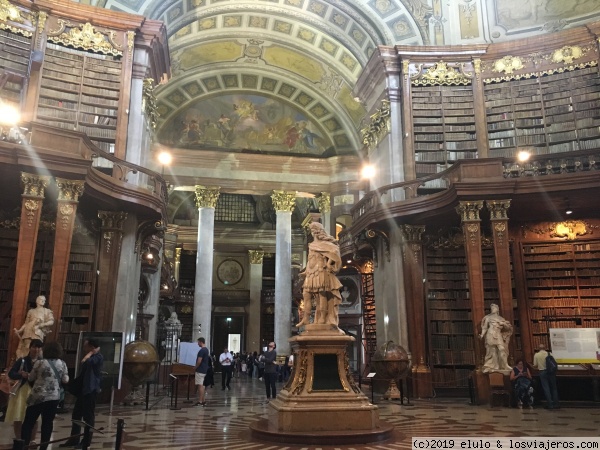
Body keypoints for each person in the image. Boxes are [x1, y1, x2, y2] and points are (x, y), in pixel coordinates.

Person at [21, 341, 68, 450]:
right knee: (47, 423)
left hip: (38, 397)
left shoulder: (39, 363)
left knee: (28, 423)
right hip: (53, 398)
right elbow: (65, 380)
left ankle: (24, 446)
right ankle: (44, 447)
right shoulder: (62, 363)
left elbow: (31, 378)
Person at [296, 222, 343, 328]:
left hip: (321, 271)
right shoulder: (311, 245)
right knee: (306, 294)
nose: (312, 232)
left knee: (322, 295)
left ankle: (322, 317)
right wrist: (305, 271)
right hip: (311, 273)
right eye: (311, 230)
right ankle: (305, 319)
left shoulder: (325, 244)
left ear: (318, 231)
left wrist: (329, 263)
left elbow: (334, 253)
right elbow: (310, 259)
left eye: (314, 230)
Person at [59, 339, 103, 449]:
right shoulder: (93, 355)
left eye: (86, 346)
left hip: (90, 391)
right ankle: (74, 439)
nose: (84, 349)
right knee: (76, 415)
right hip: (83, 391)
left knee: (88, 417)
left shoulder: (98, 357)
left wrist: (92, 353)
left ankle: (86, 442)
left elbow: (86, 362)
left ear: (91, 347)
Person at [6, 339, 43, 441]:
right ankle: (19, 439)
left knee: (35, 418)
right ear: (30, 347)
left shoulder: (42, 362)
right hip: (22, 390)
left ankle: (32, 440)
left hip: (35, 391)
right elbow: (11, 374)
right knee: (18, 416)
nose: (36, 349)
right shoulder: (22, 360)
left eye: (39, 347)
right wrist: (20, 374)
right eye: (34, 347)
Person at [479, 303, 513, 372]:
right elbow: (485, 328)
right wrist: (482, 335)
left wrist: (503, 323)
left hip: (498, 334)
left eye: (494, 308)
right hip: (490, 334)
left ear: (497, 309)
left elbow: (507, 328)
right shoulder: (488, 317)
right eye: (491, 308)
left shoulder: (501, 319)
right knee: (492, 350)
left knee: (502, 349)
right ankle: (494, 366)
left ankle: (505, 365)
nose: (492, 309)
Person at [533, 344, 560, 409]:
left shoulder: (536, 355)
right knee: (554, 388)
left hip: (542, 372)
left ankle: (550, 404)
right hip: (551, 372)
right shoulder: (549, 354)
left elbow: (535, 364)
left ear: (538, 348)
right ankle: (556, 404)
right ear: (545, 348)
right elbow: (554, 362)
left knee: (546, 388)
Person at [194, 337, 209, 406]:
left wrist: (195, 367)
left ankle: (200, 401)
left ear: (201, 342)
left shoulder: (202, 351)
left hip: (200, 370)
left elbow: (199, 361)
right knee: (201, 385)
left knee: (200, 386)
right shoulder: (206, 350)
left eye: (198, 342)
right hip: (204, 370)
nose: (197, 344)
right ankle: (203, 400)